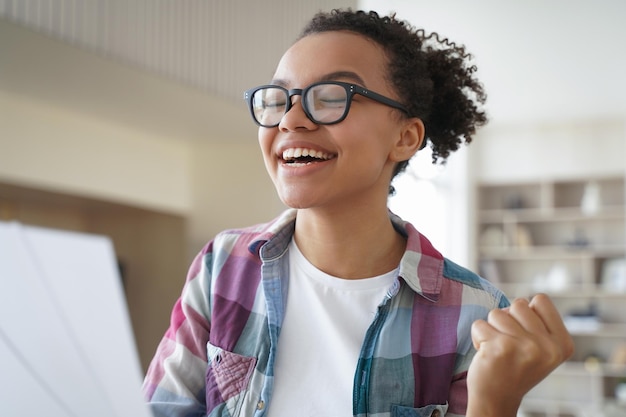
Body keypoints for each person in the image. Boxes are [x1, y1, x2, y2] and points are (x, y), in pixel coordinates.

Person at [142, 8, 574, 417]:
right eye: (278, 99)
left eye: (331, 97)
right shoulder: (223, 264)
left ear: (404, 137)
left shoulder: (475, 314)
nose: (291, 120)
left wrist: (495, 404)